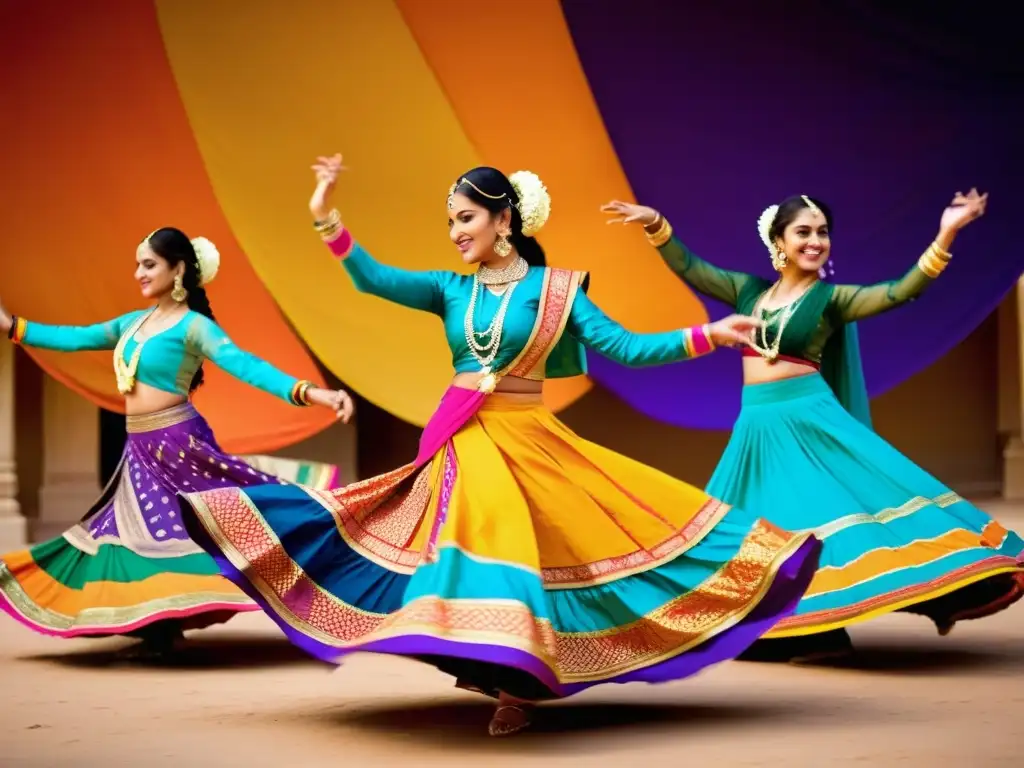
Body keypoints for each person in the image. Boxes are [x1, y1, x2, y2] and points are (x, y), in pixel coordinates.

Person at [176, 153, 822, 737]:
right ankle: (501, 677)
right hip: (465, 441)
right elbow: (371, 278)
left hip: (531, 439)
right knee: (475, 545)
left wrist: (708, 336)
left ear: (503, 219)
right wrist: (325, 216)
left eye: (465, 218)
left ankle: (516, 682)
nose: (456, 232)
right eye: (450, 221)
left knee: (554, 550)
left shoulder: (555, 291)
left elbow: (626, 349)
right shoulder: (449, 289)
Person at [601, 190, 1024, 662]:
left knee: (831, 522)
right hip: (757, 427)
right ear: (778, 241)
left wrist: (948, 230)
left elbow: (901, 291)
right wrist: (656, 223)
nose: (815, 241)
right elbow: (691, 268)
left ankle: (909, 603)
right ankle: (799, 628)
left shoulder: (830, 299)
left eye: (822, 233)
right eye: (803, 232)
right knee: (747, 527)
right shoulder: (748, 292)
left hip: (808, 420)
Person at [0, 228, 353, 659]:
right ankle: (159, 625)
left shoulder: (194, 328)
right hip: (140, 448)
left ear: (178, 269)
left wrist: (311, 393)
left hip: (179, 445)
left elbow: (247, 366)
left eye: (148, 264)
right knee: (131, 535)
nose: (139, 273)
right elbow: (76, 337)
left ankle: (165, 629)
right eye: (138, 264)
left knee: (185, 532)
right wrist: (12, 326)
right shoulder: (134, 323)